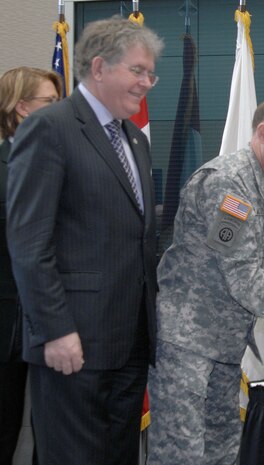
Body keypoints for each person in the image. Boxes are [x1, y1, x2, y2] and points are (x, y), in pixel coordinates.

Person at [5, 17, 163, 465]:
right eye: (137, 71)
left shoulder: (134, 138)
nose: (146, 83)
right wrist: (54, 329)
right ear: (98, 67)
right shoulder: (50, 128)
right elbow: (29, 245)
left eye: (150, 73)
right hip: (73, 342)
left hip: (129, 342)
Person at [148, 94, 264, 465]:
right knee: (181, 453)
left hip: (224, 344)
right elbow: (243, 276)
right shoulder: (229, 184)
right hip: (188, 343)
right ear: (263, 133)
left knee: (224, 449)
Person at [0, 66, 61, 465]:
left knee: (54, 432)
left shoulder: (58, 162)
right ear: (21, 107)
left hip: (55, 322)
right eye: (50, 103)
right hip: (6, 319)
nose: (60, 112)